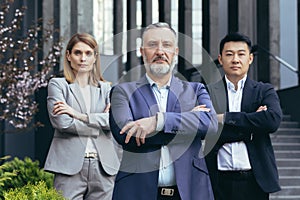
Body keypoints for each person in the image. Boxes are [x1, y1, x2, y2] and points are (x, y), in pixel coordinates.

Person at [109, 22, 217, 200]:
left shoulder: (196, 89)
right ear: (142, 51)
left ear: (175, 51)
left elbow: (211, 125)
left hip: (190, 191)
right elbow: (126, 135)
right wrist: (189, 123)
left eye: (166, 45)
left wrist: (158, 122)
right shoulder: (122, 91)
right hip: (136, 192)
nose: (160, 51)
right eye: (152, 45)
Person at [204, 32, 282, 200]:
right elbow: (204, 127)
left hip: (254, 181)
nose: (235, 59)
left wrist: (224, 118)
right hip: (217, 181)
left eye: (241, 54)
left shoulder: (264, 90)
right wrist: (252, 123)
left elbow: (272, 121)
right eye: (229, 54)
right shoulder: (207, 92)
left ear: (250, 58)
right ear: (220, 58)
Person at [44, 33, 121, 200]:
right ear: (68, 56)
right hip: (69, 167)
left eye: (88, 53)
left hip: (104, 167)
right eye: (78, 53)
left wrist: (77, 115)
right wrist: (99, 125)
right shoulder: (58, 85)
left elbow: (114, 122)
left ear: (95, 57)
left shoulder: (107, 89)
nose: (83, 58)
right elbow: (63, 123)